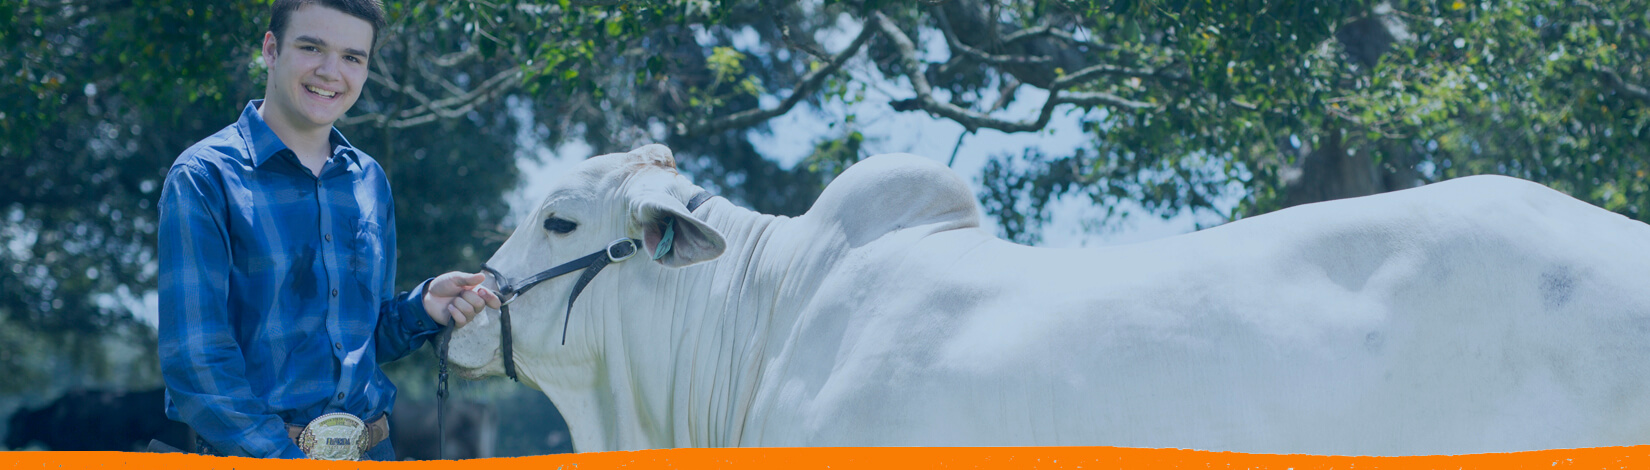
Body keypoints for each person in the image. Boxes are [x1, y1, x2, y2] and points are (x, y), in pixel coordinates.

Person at [157, 0, 498, 460]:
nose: (330, 72)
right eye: (312, 47)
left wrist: (421, 308)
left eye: (352, 57)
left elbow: (358, 340)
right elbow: (196, 361)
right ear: (272, 50)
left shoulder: (369, 181)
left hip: (373, 451)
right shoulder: (205, 177)